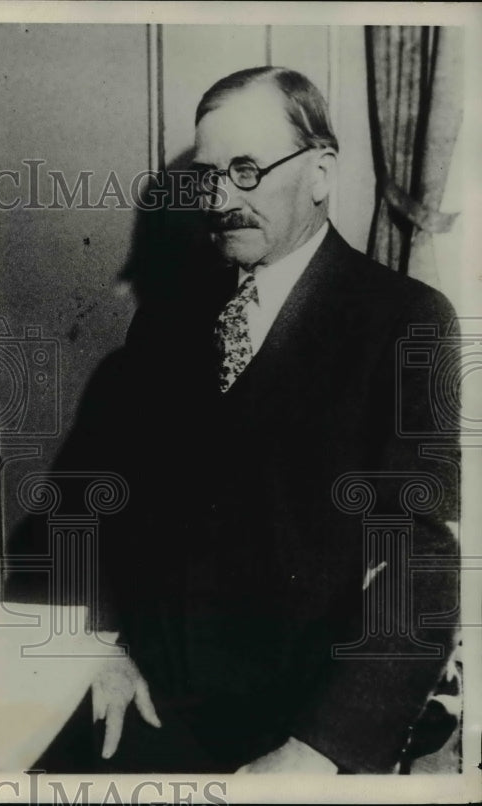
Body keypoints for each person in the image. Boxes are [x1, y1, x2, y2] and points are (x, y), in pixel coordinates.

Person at [24, 67, 460, 774]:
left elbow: (422, 565)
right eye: (210, 175)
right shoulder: (165, 325)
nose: (223, 197)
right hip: (145, 708)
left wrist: (319, 752)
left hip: (298, 732)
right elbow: (83, 504)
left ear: (320, 172)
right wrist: (100, 649)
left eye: (248, 169)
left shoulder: (405, 322)